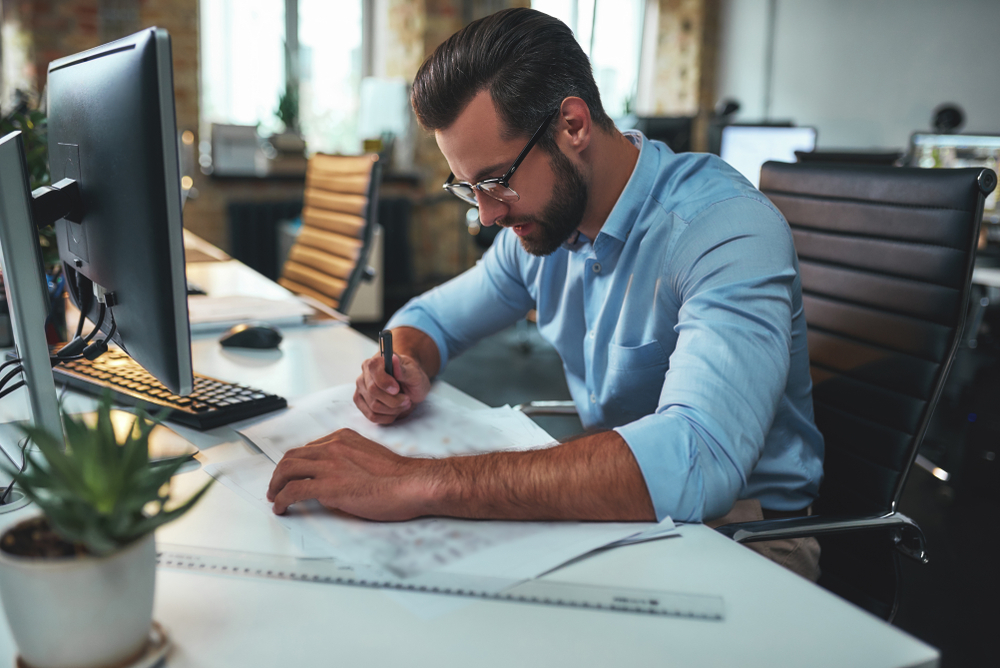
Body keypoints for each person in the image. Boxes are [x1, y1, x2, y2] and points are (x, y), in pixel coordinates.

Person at [268, 8, 824, 579]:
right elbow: (431, 317)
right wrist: (402, 361)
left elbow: (696, 460)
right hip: (630, 522)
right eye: (468, 188)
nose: (485, 215)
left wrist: (414, 480)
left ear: (573, 126)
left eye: (494, 181)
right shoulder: (550, 225)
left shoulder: (724, 228)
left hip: (748, 539)